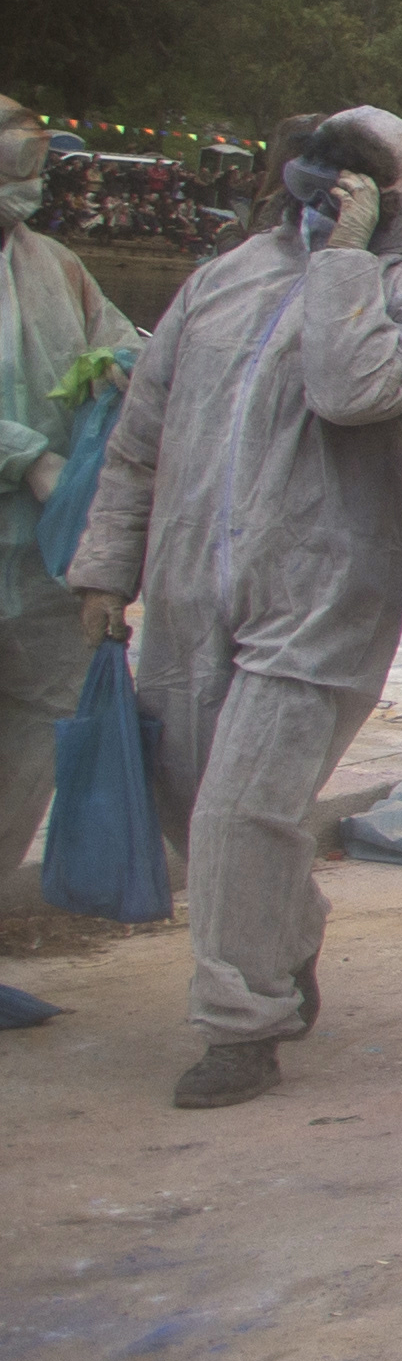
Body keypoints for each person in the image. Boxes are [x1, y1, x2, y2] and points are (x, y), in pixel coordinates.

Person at [61, 107, 402, 1108]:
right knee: (199, 806)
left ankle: (241, 1025)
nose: (332, 186)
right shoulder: (219, 284)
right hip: (191, 597)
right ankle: (282, 941)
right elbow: (138, 440)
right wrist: (107, 571)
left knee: (242, 811)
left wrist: (346, 263)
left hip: (322, 598)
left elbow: (350, 389)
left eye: (365, 177)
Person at [0, 99, 142, 911]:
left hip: (43, 559)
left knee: (28, 747)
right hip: (31, 504)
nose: (23, 192)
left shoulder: (53, 264)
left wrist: (116, 367)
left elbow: (115, 337)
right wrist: (24, 457)